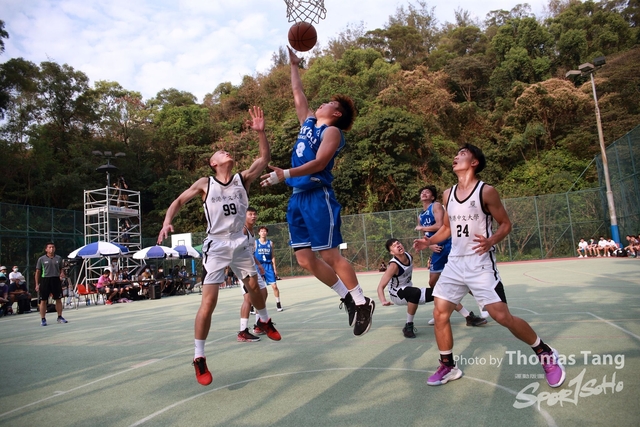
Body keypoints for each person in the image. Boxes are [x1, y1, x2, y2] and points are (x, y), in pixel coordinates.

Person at [413, 143, 565, 388]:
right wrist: (428, 241)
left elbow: (505, 224)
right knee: (440, 313)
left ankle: (545, 352)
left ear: (474, 162)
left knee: (501, 315)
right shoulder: (448, 194)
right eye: (456, 154)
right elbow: (448, 228)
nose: (456, 157)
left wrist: (491, 240)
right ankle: (448, 366)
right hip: (455, 263)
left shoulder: (486, 192)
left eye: (462, 154)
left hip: (480, 262)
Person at [157, 106, 280, 386]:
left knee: (255, 287)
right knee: (209, 302)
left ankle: (263, 320)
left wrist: (261, 133)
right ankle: (199, 357)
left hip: (240, 241)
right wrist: (167, 222)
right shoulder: (205, 183)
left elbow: (264, 158)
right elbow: (178, 201)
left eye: (226, 151)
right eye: (220, 152)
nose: (225, 152)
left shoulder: (242, 179)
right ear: (213, 163)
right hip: (217, 245)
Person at [259, 47, 374, 336]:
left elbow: (320, 163)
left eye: (329, 103)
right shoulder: (308, 123)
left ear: (336, 113)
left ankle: (362, 302)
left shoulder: (332, 132)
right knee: (304, 259)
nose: (322, 103)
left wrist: (285, 173)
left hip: (317, 196)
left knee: (329, 254)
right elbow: (297, 93)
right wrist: (293, 65)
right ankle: (347, 297)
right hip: (297, 198)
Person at [416, 185, 487, 325]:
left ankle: (483, 301)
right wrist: (430, 245)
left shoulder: (436, 206)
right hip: (437, 249)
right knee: (433, 283)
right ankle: (447, 312)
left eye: (427, 192)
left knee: (462, 279)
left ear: (432, 196)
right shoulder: (420, 216)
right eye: (422, 192)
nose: (424, 193)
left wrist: (422, 227)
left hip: (448, 245)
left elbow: (440, 225)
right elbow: (426, 235)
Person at [377, 238, 435, 338]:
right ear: (392, 252)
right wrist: (383, 301)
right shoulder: (393, 266)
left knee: (438, 292)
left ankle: (441, 316)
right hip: (396, 294)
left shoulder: (409, 256)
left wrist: (421, 247)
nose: (398, 245)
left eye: (398, 243)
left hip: (409, 290)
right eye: (394, 246)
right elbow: (380, 287)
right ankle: (408, 326)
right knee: (415, 292)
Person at [237, 207, 269, 342]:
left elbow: (250, 252)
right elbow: (236, 250)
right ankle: (243, 331)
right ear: (244, 216)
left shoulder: (252, 231)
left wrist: (259, 264)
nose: (253, 216)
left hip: (252, 268)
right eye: (250, 214)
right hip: (243, 269)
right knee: (248, 298)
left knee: (263, 292)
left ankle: (259, 325)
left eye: (255, 214)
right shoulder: (243, 230)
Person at [34, 242, 68, 326]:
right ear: (46, 249)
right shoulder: (41, 259)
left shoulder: (58, 258)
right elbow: (38, 272)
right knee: (43, 300)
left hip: (56, 280)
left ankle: (60, 317)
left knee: (58, 299)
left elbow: (61, 268)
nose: (51, 249)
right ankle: (43, 319)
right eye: (49, 247)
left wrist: (62, 273)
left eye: (53, 247)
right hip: (45, 280)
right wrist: (37, 284)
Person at [255, 226, 284, 312]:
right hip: (258, 266)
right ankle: (253, 305)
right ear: (259, 233)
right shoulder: (255, 243)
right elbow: (252, 255)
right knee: (256, 288)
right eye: (261, 231)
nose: (263, 233)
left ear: (267, 233)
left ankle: (278, 304)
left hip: (268, 266)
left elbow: (273, 256)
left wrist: (274, 268)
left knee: (274, 286)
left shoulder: (270, 243)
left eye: (264, 231)